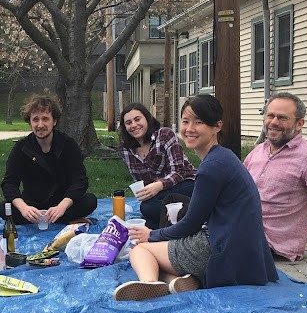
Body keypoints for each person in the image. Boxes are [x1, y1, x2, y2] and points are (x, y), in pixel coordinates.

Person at [113, 94, 278, 301]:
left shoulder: (211, 167)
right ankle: (174, 281)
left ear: (217, 126)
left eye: (198, 122)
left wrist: (151, 235)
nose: (189, 129)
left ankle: (149, 283)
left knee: (141, 250)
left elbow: (190, 224)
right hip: (245, 248)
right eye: (185, 121)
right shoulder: (224, 156)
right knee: (160, 247)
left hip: (221, 249)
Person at [0, 95, 97, 225]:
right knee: (2, 208)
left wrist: (62, 206)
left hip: (61, 205)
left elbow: (80, 180)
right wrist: (24, 208)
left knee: (90, 200)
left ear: (54, 121)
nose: (40, 125)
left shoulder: (68, 144)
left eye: (45, 119)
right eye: (35, 120)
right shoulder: (22, 147)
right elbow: (9, 182)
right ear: (30, 123)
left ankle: (57, 218)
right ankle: (64, 221)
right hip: (32, 206)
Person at [244, 92, 307, 261]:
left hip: (272, 245)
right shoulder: (258, 151)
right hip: (240, 229)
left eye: (282, 118)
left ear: (299, 123)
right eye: (270, 115)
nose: (274, 122)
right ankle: (184, 280)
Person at [118, 103, 196, 229]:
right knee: (147, 208)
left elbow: (179, 172)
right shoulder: (125, 148)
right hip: (160, 192)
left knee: (148, 209)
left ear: (147, 119)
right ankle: (178, 216)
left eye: (137, 119)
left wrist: (158, 186)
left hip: (185, 183)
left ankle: (186, 211)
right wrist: (145, 192)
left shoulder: (165, 135)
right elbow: (140, 181)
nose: (134, 125)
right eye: (128, 122)